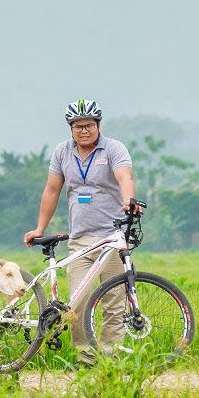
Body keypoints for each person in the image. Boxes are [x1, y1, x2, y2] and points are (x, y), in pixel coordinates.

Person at [22, 98, 136, 364]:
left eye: (88, 125)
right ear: (70, 129)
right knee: (78, 303)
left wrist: (129, 200)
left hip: (111, 238)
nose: (83, 131)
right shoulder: (62, 152)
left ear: (98, 125)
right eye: (77, 127)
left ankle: (111, 357)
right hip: (80, 240)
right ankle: (85, 358)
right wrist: (40, 227)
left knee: (113, 302)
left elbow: (124, 177)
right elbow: (52, 190)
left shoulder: (114, 149)